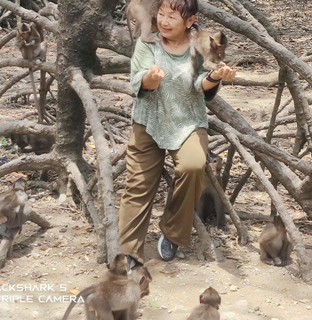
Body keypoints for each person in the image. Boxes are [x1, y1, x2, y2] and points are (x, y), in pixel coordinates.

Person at [119, 0, 236, 266]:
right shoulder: (147, 43)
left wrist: (216, 76)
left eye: (173, 16)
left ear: (190, 21)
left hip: (188, 122)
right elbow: (138, 79)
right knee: (138, 185)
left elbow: (200, 84)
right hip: (149, 121)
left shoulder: (198, 46)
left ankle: (172, 232)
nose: (165, 21)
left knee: (194, 165)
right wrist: (151, 79)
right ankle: (129, 251)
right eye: (161, 14)